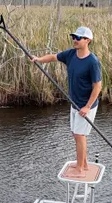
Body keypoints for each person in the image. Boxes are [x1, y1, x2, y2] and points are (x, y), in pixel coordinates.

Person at [31, 26, 102, 176]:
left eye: (78, 38)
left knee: (80, 135)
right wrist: (39, 60)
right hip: (75, 103)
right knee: (75, 134)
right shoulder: (70, 54)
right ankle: (83, 164)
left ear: (88, 41)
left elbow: (97, 87)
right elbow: (53, 57)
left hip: (86, 106)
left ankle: (81, 169)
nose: (74, 40)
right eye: (73, 37)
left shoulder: (92, 62)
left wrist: (87, 107)